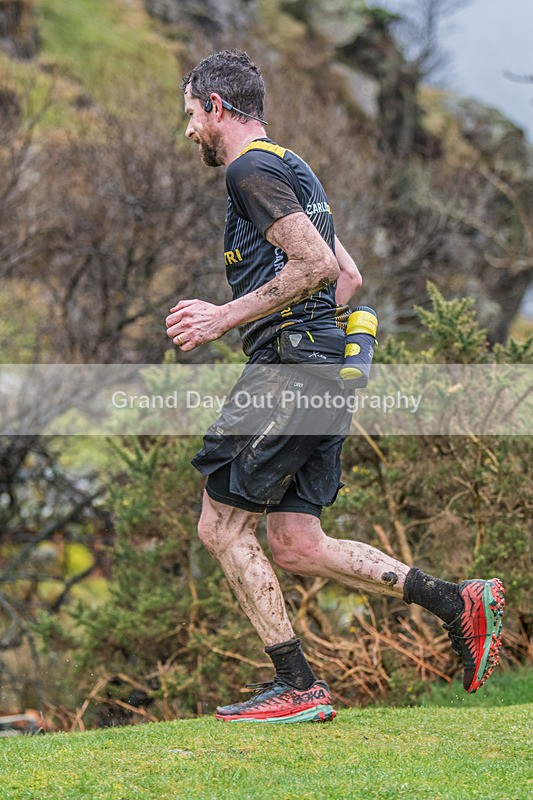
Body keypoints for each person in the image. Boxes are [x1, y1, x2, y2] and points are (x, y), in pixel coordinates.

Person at [166, 49, 505, 723]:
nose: (187, 132)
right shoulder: (292, 165)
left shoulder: (248, 169)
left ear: (215, 107)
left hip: (291, 369)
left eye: (189, 115)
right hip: (320, 366)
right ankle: (456, 601)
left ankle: (297, 686)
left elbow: (316, 264)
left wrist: (222, 316)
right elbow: (346, 279)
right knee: (295, 543)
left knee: (220, 524)